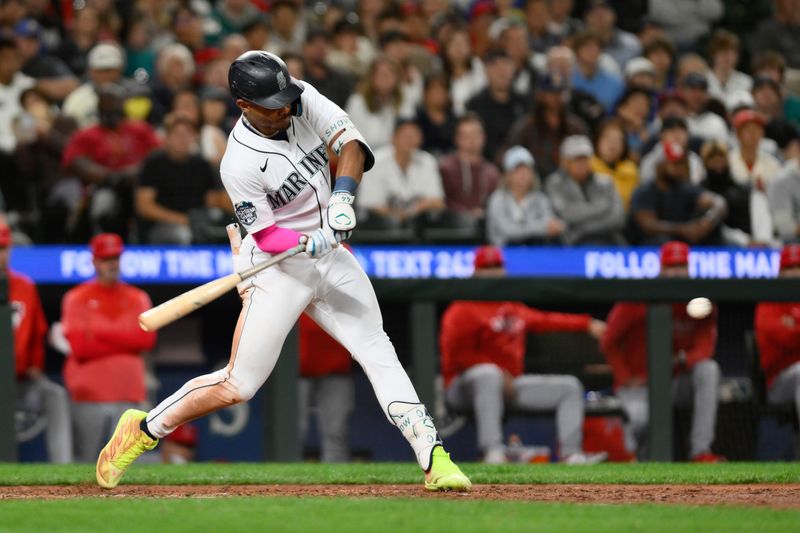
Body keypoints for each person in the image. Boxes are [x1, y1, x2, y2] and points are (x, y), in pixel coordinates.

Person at [95, 51, 470, 492]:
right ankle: (143, 430)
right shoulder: (238, 162)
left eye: (286, 98)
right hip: (275, 267)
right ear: (244, 106)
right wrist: (303, 242)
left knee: (376, 346)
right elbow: (269, 236)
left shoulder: (300, 99)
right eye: (273, 104)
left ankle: (434, 456)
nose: (286, 109)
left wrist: (343, 199)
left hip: (329, 255)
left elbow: (351, 146)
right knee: (239, 385)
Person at [440, 245, 608, 464]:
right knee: (488, 374)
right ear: (474, 273)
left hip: (510, 385)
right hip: (463, 389)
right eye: (486, 268)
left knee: (570, 387)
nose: (492, 273)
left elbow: (546, 320)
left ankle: (571, 454)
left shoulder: (511, 305)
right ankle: (493, 452)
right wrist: (499, 373)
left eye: (497, 267)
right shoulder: (462, 308)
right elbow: (454, 357)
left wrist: (586, 323)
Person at [601, 241, 725, 462]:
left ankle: (701, 452)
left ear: (689, 269)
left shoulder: (699, 301)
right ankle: (628, 468)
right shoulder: (639, 297)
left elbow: (705, 348)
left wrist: (682, 360)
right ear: (660, 269)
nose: (676, 272)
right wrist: (625, 376)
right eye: (671, 266)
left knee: (709, 370)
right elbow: (609, 340)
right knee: (639, 419)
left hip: (675, 381)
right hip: (640, 385)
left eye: (681, 266)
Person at [62, 233, 156, 463]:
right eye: (105, 258)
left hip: (129, 394)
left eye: (115, 257)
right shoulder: (76, 297)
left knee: (131, 467)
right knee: (85, 464)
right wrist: (126, 338)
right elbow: (81, 347)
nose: (111, 264)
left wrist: (99, 335)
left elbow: (146, 341)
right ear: (94, 261)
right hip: (88, 395)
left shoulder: (138, 297)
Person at [1, 224, 72, 463]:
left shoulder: (24, 285)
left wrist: (36, 365)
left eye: (3, 248)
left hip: (22, 380)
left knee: (55, 394)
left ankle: (63, 466)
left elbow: (37, 332)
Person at [61, 83, 161, 238]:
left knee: (145, 200)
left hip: (138, 185)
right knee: (104, 203)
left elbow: (158, 156)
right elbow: (77, 162)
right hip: (102, 186)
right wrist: (109, 176)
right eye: (106, 106)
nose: (111, 112)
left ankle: (141, 242)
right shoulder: (87, 135)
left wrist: (135, 172)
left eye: (114, 105)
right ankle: (102, 243)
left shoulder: (140, 129)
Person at [135, 114, 226, 244]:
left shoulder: (202, 164)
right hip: (160, 225)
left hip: (197, 221)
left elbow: (212, 199)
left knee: (222, 230)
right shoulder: (154, 163)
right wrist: (182, 219)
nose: (183, 139)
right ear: (166, 137)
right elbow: (144, 206)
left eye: (188, 134)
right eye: (178, 134)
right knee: (182, 234)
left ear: (195, 137)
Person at [629, 140, 727, 244]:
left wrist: (706, 223)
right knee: (662, 240)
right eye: (674, 163)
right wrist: (683, 230)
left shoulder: (686, 189)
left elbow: (719, 202)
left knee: (714, 230)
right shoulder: (644, 191)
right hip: (647, 249)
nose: (680, 168)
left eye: (682, 163)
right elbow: (648, 226)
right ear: (659, 165)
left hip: (683, 243)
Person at [357, 119, 446, 222]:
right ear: (393, 138)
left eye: (414, 135)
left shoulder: (427, 160)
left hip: (419, 224)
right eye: (405, 135)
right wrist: (400, 216)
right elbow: (370, 205)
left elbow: (437, 202)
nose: (410, 140)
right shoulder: (376, 161)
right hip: (380, 226)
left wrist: (409, 212)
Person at [546, 135, 625, 244]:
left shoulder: (606, 182)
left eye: (585, 159)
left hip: (608, 238)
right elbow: (567, 214)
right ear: (565, 161)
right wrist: (602, 206)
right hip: (573, 243)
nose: (582, 164)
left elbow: (617, 218)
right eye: (577, 159)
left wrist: (581, 229)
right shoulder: (554, 183)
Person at [754, 244, 800, 429]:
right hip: (779, 381)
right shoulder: (770, 301)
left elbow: (792, 335)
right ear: (780, 272)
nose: (796, 273)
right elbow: (786, 339)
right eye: (790, 268)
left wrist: (794, 325)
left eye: (799, 267)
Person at [298, 313, 353, 463]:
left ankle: (337, 481)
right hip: (296, 374)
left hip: (337, 370)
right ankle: (285, 483)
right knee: (293, 432)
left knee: (336, 432)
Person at [486, 145, 563, 246]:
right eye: (517, 170)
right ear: (508, 174)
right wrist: (542, 227)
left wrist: (550, 227)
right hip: (504, 253)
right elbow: (508, 231)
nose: (523, 175)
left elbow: (552, 224)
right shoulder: (497, 199)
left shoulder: (541, 198)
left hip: (535, 252)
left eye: (527, 170)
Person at [465, 49, 527, 163]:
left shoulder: (525, 102)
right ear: (486, 71)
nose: (501, 71)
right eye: (495, 66)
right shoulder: (474, 105)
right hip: (486, 166)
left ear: (513, 70)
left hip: (519, 165)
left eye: (505, 65)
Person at [438, 113, 501, 218]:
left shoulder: (492, 172)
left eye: (475, 134)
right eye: (466, 136)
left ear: (483, 137)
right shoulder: (445, 168)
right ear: (456, 138)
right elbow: (440, 201)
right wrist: (465, 214)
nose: (471, 140)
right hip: (450, 226)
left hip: (484, 226)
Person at [591, 117, 640, 211]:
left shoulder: (632, 170)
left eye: (617, 140)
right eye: (608, 139)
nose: (612, 145)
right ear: (597, 141)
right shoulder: (587, 168)